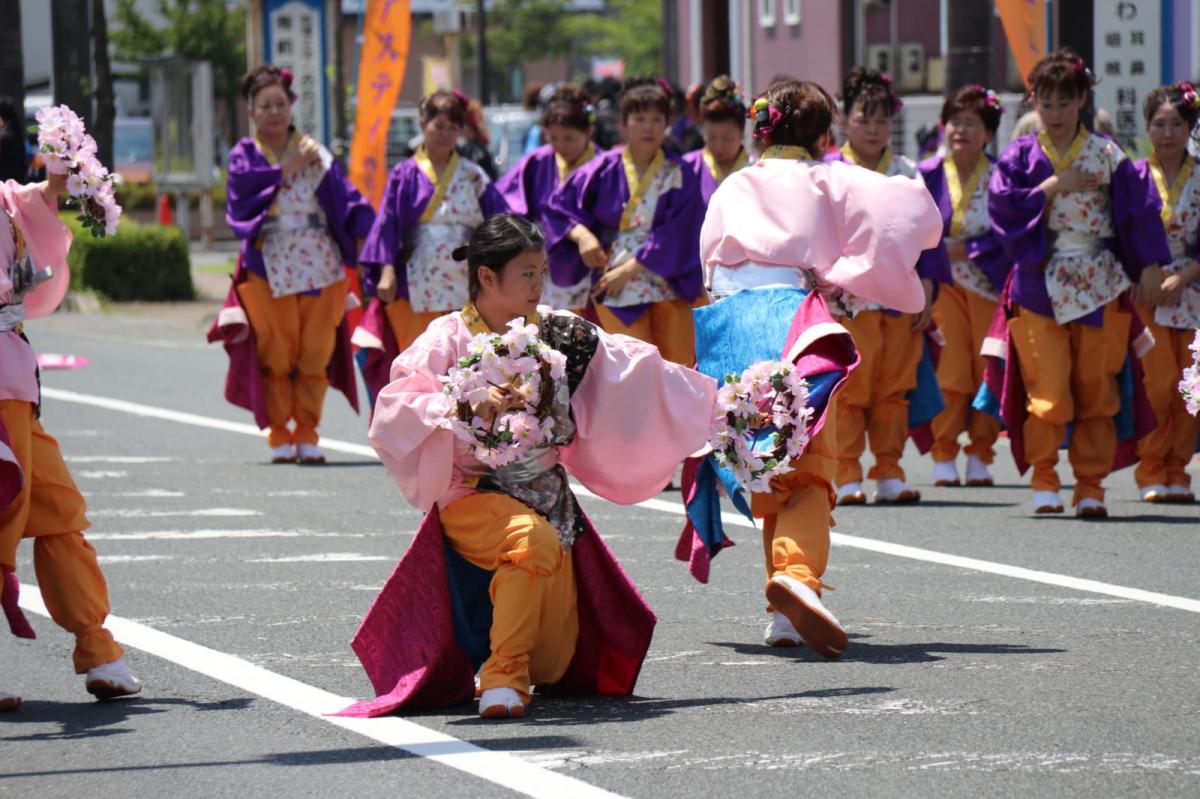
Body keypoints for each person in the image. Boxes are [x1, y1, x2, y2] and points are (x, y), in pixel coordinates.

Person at [339, 214, 716, 719]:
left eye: (542, 271)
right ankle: (502, 676)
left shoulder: (562, 333)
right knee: (529, 542)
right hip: (471, 491)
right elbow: (393, 410)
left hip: (548, 496)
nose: (540, 284)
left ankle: (509, 663)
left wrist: (723, 408)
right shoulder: (445, 339)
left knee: (557, 660)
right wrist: (461, 406)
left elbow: (641, 372)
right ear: (487, 277)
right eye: (527, 274)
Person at [683, 78, 942, 655]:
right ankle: (797, 579)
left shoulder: (734, 183)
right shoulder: (829, 178)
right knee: (811, 468)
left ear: (760, 129)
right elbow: (910, 210)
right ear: (825, 135)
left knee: (766, 467)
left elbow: (708, 263)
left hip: (725, 328)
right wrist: (859, 276)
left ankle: (782, 612)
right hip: (788, 320)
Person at [987, 49, 1170, 517]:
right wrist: (1053, 186)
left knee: (1098, 389)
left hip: (1100, 283)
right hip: (1038, 284)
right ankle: (1045, 479)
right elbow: (1003, 210)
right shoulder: (1020, 155)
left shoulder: (1109, 155)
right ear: (1034, 103)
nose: (1055, 114)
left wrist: (1149, 265)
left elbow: (1138, 213)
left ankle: (1090, 484)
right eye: (1045, 104)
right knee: (1047, 390)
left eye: (1065, 103)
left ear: (1083, 99)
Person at [1, 172, 142, 710]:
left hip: (12, 379)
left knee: (58, 509)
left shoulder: (4, 199)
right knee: (3, 515)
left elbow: (28, 202)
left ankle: (99, 649)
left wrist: (61, 177)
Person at [217, 65, 373, 464]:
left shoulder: (314, 150)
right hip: (268, 265)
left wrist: (373, 235)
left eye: (280, 104)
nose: (273, 112)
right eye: (264, 105)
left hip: (320, 264)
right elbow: (241, 202)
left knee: (315, 353)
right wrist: (283, 170)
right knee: (276, 353)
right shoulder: (244, 156)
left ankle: (307, 431)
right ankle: (279, 432)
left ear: (291, 106)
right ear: (251, 110)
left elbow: (348, 200)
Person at [825, 67, 948, 505]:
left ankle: (890, 471)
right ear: (844, 120)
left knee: (894, 390)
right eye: (864, 119)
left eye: (881, 121)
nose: (873, 129)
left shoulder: (908, 171)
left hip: (898, 298)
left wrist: (929, 290)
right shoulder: (830, 171)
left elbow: (931, 235)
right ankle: (847, 473)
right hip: (847, 300)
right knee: (849, 390)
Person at [355, 90, 509, 404]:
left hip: (464, 276)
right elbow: (388, 223)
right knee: (418, 357)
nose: (445, 134)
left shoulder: (473, 174)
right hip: (416, 277)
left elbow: (499, 219)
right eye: (438, 126)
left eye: (452, 128)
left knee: (465, 357)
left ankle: (465, 432)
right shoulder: (405, 173)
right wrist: (386, 271)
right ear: (422, 124)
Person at [543, 78, 706, 365]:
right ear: (623, 125)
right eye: (639, 118)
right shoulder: (603, 167)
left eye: (657, 119)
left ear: (666, 124)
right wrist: (582, 236)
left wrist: (631, 268)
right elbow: (558, 206)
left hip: (668, 278)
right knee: (632, 367)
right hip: (615, 279)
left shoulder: (680, 171)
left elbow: (682, 230)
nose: (648, 127)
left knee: (679, 365)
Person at [922, 85, 1008, 488]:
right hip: (943, 287)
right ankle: (944, 452)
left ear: (988, 131)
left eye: (971, 123)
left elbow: (1012, 230)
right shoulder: (927, 174)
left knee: (989, 369)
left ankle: (981, 453)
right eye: (955, 121)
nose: (961, 130)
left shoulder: (1004, 176)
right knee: (952, 373)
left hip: (990, 287)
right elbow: (911, 227)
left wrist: (969, 249)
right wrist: (941, 251)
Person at [1132, 82, 1200, 503]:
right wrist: (1147, 273)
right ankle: (1151, 469)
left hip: (1193, 289)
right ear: (1148, 127)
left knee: (1193, 388)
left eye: (1177, 123)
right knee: (1156, 386)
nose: (1169, 132)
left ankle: (1179, 470)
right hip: (1149, 292)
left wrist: (1188, 273)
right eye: (1160, 124)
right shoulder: (1134, 177)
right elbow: (1120, 232)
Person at [496, 84, 600, 314]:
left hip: (592, 259)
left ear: (589, 131)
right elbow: (506, 202)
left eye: (569, 138)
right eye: (553, 138)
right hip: (542, 257)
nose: (561, 146)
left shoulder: (604, 164)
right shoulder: (536, 161)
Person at [681, 76, 749, 210]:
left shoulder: (756, 169)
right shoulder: (686, 167)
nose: (718, 146)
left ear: (742, 132)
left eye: (727, 138)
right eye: (711, 137)